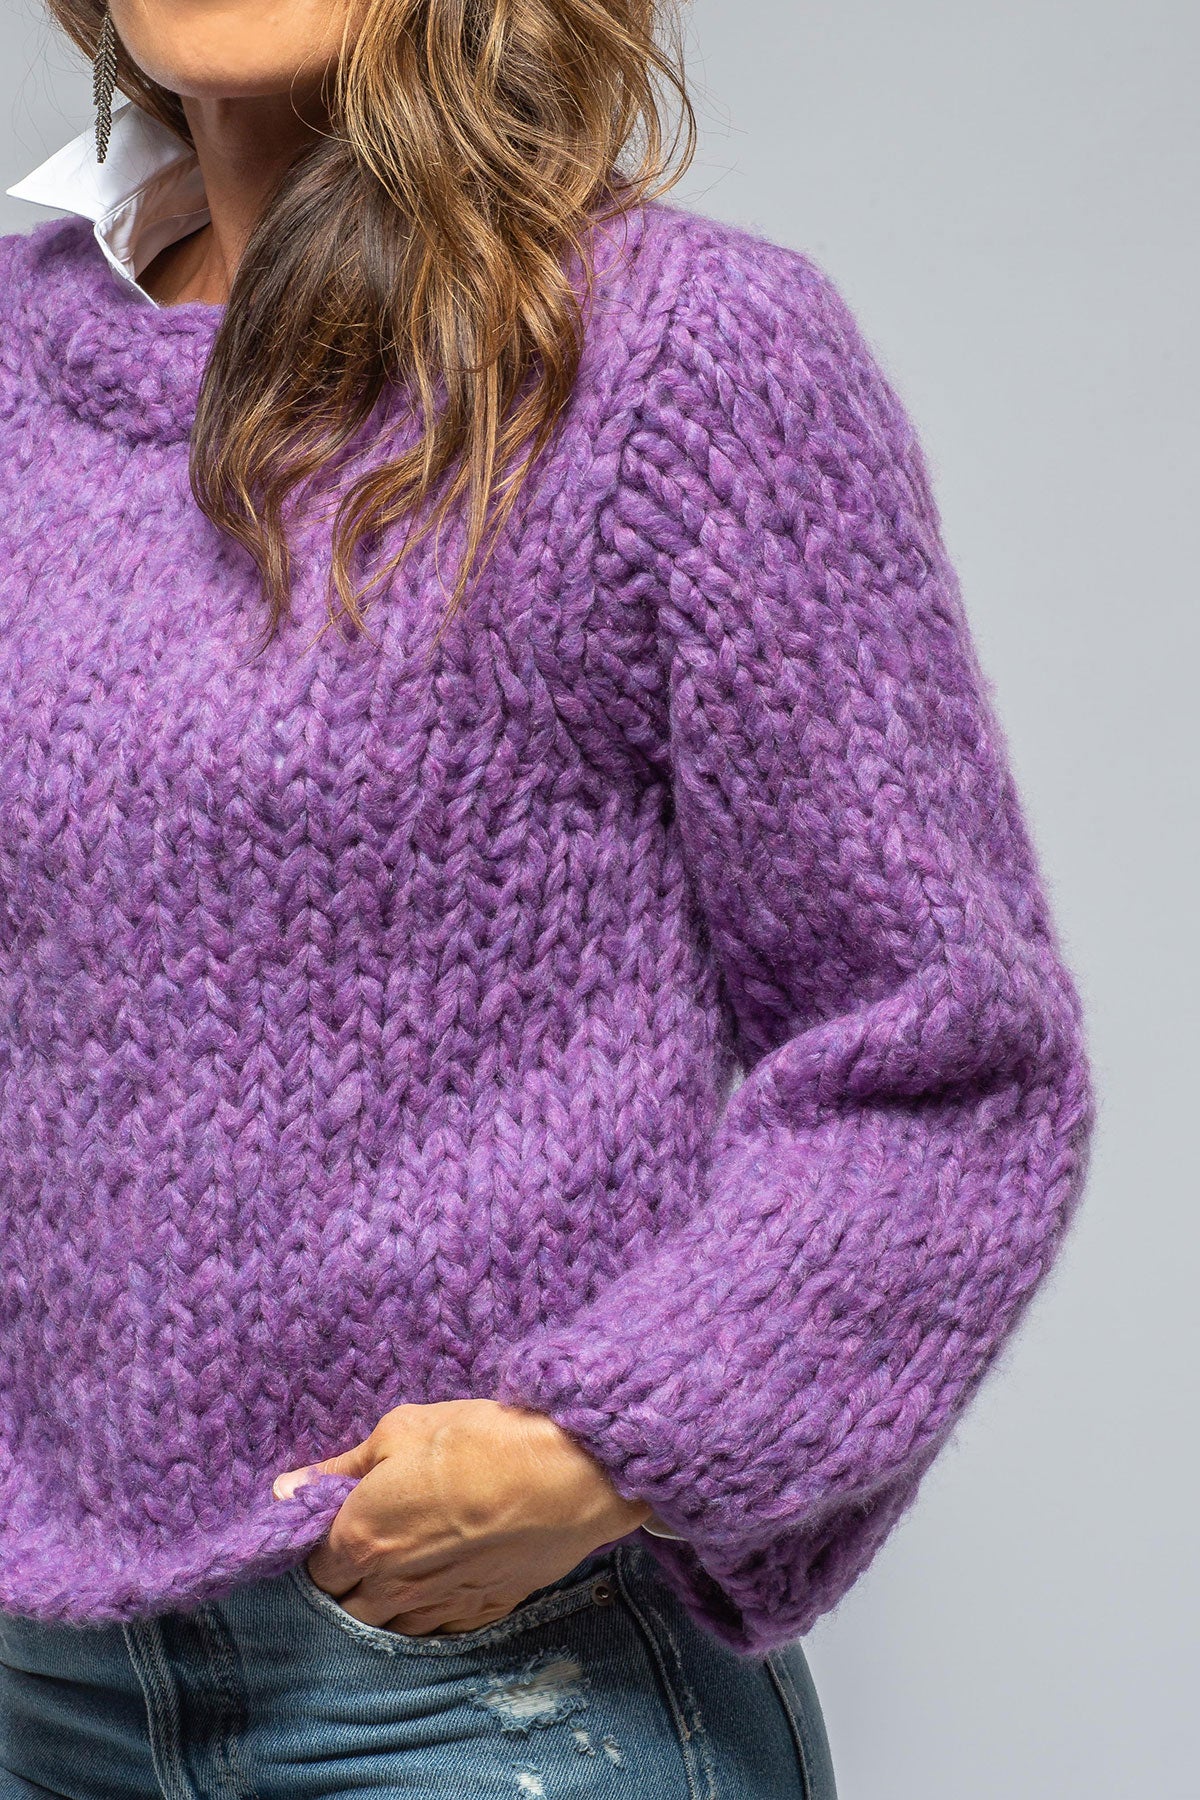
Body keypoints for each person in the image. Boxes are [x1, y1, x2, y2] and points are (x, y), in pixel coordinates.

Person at [0, 2, 1096, 1795]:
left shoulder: (674, 360)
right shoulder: (11, 368)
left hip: (485, 1687)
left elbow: (946, 1058)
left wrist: (606, 1448)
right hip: (42, 1688)